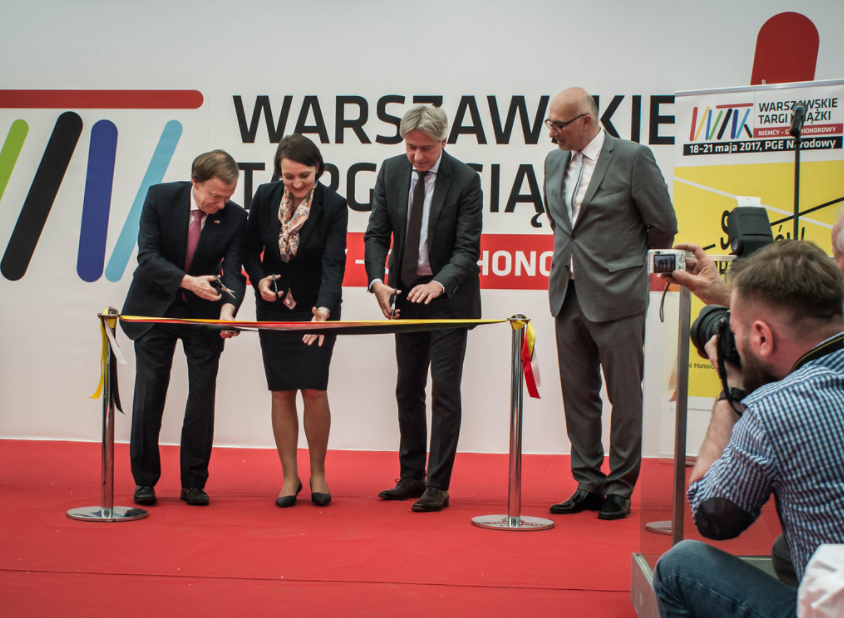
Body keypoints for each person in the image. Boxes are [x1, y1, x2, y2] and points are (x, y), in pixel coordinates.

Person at [652, 240, 844, 618]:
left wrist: (731, 394)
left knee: (680, 566)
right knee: (784, 551)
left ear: (761, 338)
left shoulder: (777, 408)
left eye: (735, 331)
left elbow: (713, 516)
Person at [543, 87, 677, 520]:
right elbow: (562, 225)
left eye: (558, 125)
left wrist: (625, 265)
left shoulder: (633, 158)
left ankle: (620, 486)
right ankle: (588, 481)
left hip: (618, 296)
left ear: (587, 121)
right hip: (568, 294)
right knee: (578, 396)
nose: (552, 133)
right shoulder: (553, 161)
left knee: (624, 396)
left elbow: (663, 225)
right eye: (549, 124)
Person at [363, 104, 483, 512]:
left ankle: (438, 483)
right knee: (408, 388)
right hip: (405, 295)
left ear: (444, 141)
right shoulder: (391, 171)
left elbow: (467, 249)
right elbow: (376, 233)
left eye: (426, 148)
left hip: (449, 299)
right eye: (411, 147)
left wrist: (439, 283)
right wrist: (377, 282)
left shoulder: (465, 180)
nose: (417, 156)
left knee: (445, 391)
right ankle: (411, 474)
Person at [122, 150, 247, 506]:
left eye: (227, 197)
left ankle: (194, 482)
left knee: (202, 394)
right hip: (155, 305)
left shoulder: (236, 217)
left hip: (205, 312)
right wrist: (189, 282)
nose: (221, 204)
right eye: (215, 196)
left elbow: (234, 270)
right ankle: (145, 480)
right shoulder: (160, 197)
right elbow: (147, 256)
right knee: (150, 391)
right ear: (196, 182)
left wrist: (228, 311)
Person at [244, 134, 347, 508]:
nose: (297, 183)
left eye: (304, 175)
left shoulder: (334, 205)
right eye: (289, 176)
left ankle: (318, 472)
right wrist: (258, 280)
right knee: (282, 390)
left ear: (317, 168)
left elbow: (334, 262)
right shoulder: (265, 196)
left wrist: (324, 310)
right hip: (273, 305)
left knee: (315, 389)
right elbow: (249, 250)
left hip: (317, 307)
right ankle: (290, 476)